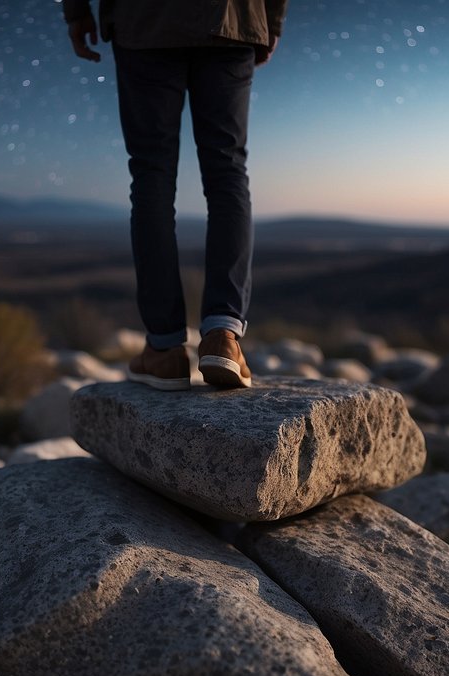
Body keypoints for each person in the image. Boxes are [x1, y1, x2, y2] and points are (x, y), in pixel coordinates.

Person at [62, 0, 287, 390]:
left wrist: (77, 11)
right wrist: (270, 19)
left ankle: (164, 351)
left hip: (145, 22)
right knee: (227, 170)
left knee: (151, 174)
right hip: (231, 19)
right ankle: (223, 336)